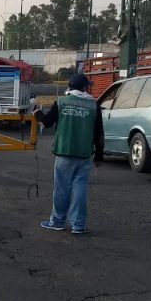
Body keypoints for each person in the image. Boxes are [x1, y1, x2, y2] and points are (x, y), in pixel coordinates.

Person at [34, 73, 104, 234]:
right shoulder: (94, 105)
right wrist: (99, 155)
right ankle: (79, 225)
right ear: (85, 87)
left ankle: (57, 221)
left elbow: (47, 122)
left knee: (61, 188)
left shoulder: (61, 102)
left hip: (64, 152)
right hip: (84, 153)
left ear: (70, 87)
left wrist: (37, 113)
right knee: (80, 188)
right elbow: (99, 133)